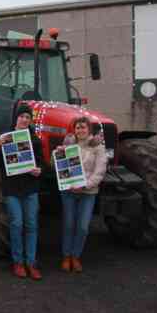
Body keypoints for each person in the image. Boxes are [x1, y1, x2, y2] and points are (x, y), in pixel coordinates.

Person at [0, 103, 44, 280]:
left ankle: (31, 262)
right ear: (16, 118)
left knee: (31, 225)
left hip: (30, 188)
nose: (24, 120)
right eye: (22, 116)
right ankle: (18, 261)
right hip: (12, 188)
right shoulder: (5, 138)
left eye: (27, 118)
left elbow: (40, 162)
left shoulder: (35, 139)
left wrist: (39, 170)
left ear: (30, 121)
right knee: (16, 224)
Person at [57, 116, 107, 273]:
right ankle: (66, 256)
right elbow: (58, 166)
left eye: (83, 127)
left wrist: (85, 185)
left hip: (88, 192)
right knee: (69, 224)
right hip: (69, 191)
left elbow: (100, 171)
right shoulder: (69, 145)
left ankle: (75, 256)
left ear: (89, 130)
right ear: (74, 130)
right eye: (77, 127)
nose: (80, 130)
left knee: (83, 226)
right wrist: (58, 154)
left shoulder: (98, 147)